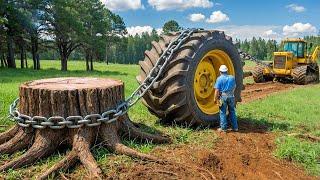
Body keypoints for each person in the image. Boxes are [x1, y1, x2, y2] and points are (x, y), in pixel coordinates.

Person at [214, 65, 238, 132]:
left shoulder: (219, 79)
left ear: (220, 71)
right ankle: (235, 127)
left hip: (223, 97)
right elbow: (234, 87)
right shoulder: (232, 78)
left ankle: (223, 128)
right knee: (232, 111)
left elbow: (217, 90)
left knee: (222, 112)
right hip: (231, 96)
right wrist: (231, 93)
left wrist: (215, 99)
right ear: (227, 71)